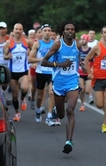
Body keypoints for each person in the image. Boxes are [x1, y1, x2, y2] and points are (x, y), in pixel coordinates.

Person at [41, 21, 81, 154]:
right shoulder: (58, 44)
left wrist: (83, 66)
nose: (70, 31)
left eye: (72, 29)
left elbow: (78, 58)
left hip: (72, 82)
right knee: (61, 114)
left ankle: (69, 141)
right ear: (63, 32)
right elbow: (44, 61)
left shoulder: (77, 44)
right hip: (59, 83)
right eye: (67, 29)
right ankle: (55, 112)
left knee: (70, 110)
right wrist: (60, 64)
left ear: (74, 32)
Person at [84, 25, 106, 133]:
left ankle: (105, 123)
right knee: (99, 105)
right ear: (102, 34)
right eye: (105, 32)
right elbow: (87, 59)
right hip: (98, 79)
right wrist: (89, 72)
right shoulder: (97, 47)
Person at [3, 23, 34, 121]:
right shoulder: (9, 43)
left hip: (23, 71)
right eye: (16, 29)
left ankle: (23, 98)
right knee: (14, 95)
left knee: (24, 88)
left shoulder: (27, 42)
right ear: (13, 30)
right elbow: (5, 56)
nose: (18, 31)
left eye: (20, 29)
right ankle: (17, 112)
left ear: (22, 31)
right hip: (12, 72)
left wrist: (30, 54)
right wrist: (8, 56)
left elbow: (35, 50)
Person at [28, 24, 55, 124]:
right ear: (42, 33)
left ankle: (49, 115)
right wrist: (40, 59)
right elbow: (30, 59)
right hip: (41, 72)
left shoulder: (55, 44)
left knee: (52, 93)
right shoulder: (37, 44)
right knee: (40, 96)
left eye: (49, 30)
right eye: (45, 30)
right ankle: (38, 110)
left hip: (52, 72)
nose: (48, 32)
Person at [77, 34, 93, 111]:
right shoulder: (78, 50)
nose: (82, 41)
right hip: (80, 73)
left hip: (88, 73)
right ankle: (83, 104)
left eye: (83, 39)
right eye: (81, 39)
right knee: (82, 89)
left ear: (87, 40)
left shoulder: (91, 50)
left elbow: (94, 61)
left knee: (87, 91)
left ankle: (90, 96)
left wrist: (90, 69)